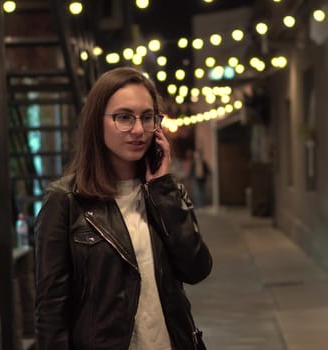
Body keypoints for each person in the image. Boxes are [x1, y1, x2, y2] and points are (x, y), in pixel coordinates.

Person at [34, 66, 213, 350]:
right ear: (97, 122)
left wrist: (163, 190)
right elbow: (52, 311)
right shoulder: (67, 201)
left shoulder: (164, 192)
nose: (139, 130)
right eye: (124, 118)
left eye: (147, 117)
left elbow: (197, 269)